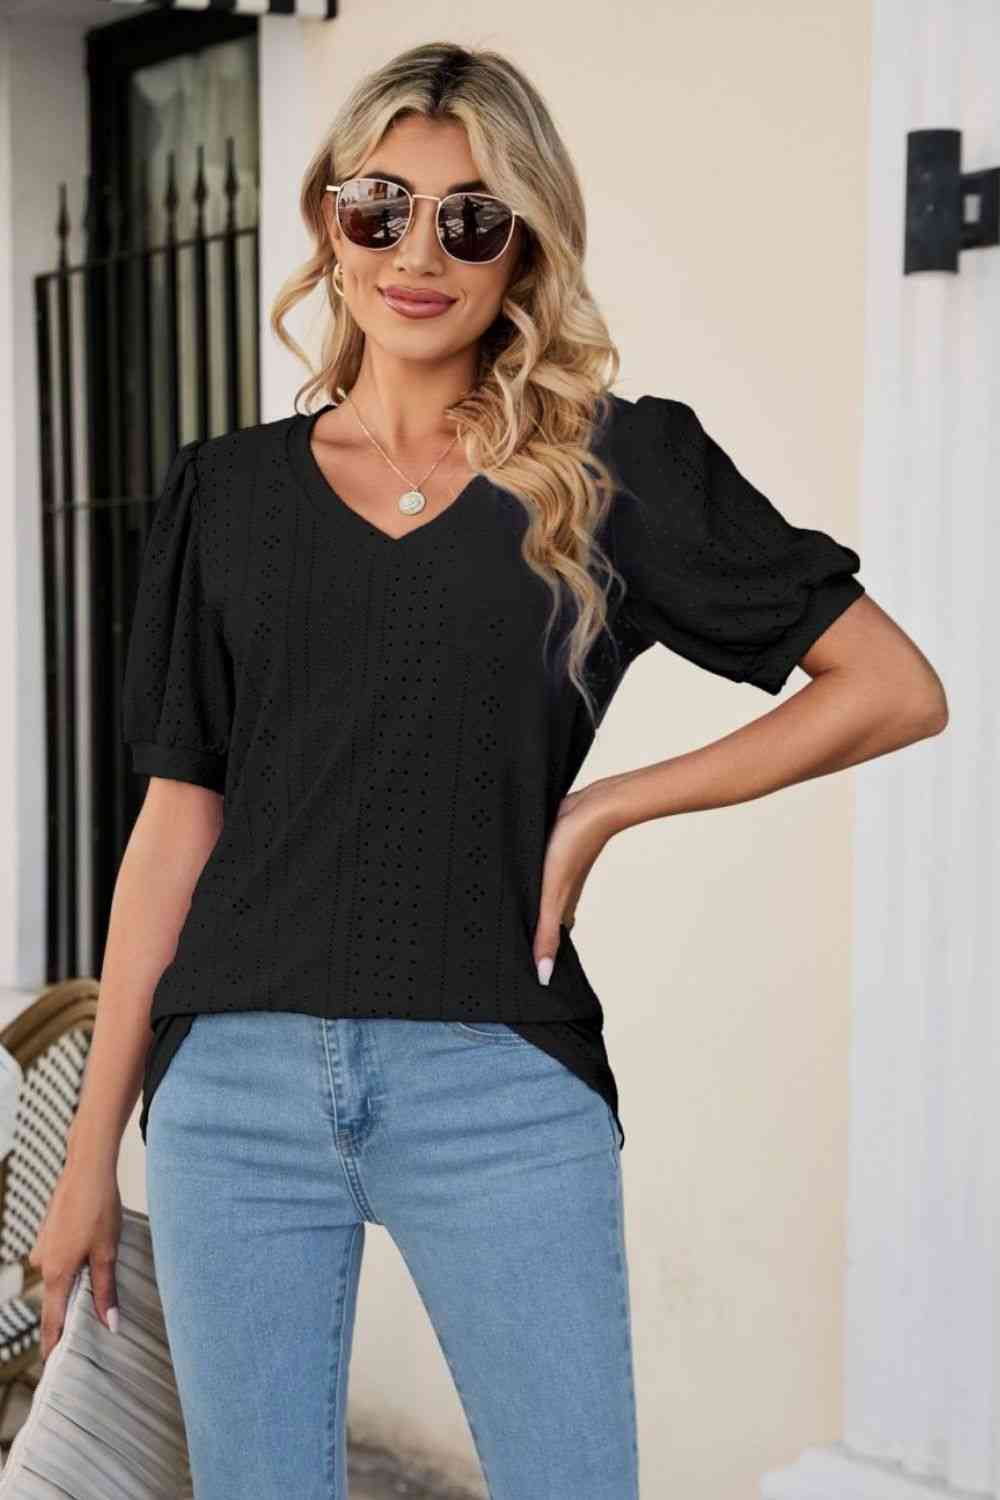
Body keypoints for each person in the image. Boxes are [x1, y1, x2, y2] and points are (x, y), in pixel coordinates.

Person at [28, 39, 948, 1500]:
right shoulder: (228, 492)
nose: (419, 253)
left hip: (496, 1079)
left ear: (524, 247)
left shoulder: (611, 470)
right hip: (235, 1090)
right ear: (330, 217)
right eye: (381, 207)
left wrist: (607, 807)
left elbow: (892, 688)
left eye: (472, 218)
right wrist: (91, 1160)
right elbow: (177, 820)